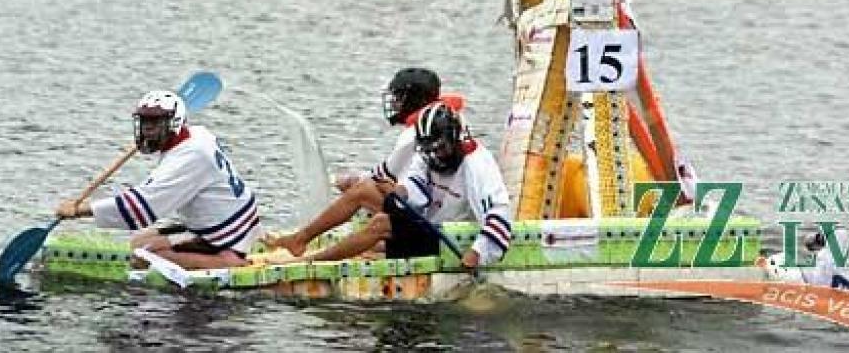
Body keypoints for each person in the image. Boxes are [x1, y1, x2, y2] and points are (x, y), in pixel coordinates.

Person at [270, 103, 512, 267]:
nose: (435, 156)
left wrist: (477, 253)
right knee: (364, 189)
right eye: (429, 150)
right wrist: (398, 192)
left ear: (454, 139)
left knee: (380, 224)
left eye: (440, 149)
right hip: (427, 221)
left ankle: (312, 264)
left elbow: (500, 214)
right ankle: (300, 239)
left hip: (450, 237)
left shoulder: (477, 164)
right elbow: (415, 190)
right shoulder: (428, 154)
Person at [55, 90, 261, 269]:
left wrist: (79, 210)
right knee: (139, 242)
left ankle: (230, 261)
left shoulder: (190, 157)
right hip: (232, 221)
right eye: (144, 122)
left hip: (228, 234)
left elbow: (142, 209)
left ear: (174, 123)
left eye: (155, 122)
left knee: (143, 255)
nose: (147, 129)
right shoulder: (197, 134)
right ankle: (211, 253)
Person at [266, 67, 446, 256]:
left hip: (430, 217)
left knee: (362, 191)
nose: (395, 102)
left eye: (399, 97)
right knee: (369, 194)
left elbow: (381, 176)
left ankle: (300, 240)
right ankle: (372, 243)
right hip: (430, 205)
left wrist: (349, 181)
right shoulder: (443, 120)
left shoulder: (414, 134)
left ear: (415, 100)